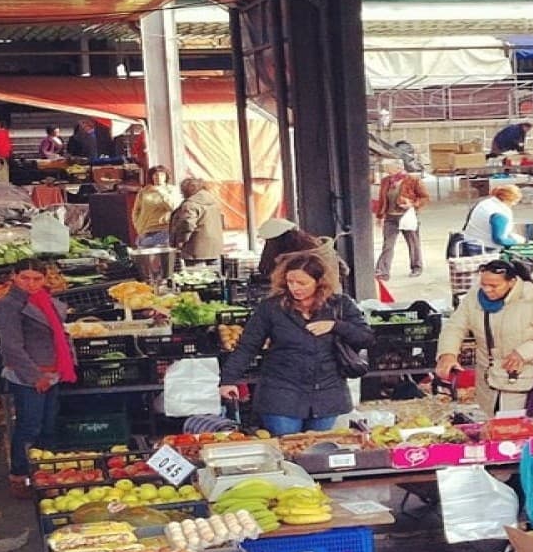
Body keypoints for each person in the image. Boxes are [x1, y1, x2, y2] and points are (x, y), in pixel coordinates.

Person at [219, 250, 374, 435]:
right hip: (281, 394)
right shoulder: (271, 308)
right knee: (287, 448)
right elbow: (247, 346)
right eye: (290, 282)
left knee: (318, 450)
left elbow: (366, 337)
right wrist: (228, 380)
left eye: (302, 283)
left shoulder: (340, 305)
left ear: (319, 282)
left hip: (327, 394)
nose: (295, 288)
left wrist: (336, 326)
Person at [435, 259, 533, 416]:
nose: (487, 290)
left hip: (522, 379)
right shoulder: (473, 298)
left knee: (515, 428)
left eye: (494, 286)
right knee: (491, 423)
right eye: (484, 284)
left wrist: (525, 352)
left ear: (512, 282)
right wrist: (447, 354)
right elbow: (455, 326)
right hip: (487, 379)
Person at [0, 259, 77, 496]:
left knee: (47, 425)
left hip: (53, 373)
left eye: (36, 279)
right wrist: (35, 376)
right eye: (24, 278)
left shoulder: (46, 301)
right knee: (29, 426)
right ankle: (20, 476)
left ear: (45, 278)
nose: (30, 283)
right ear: (14, 277)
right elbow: (12, 348)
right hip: (29, 376)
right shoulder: (5, 306)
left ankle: (44, 474)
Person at [373, 158, 429, 280]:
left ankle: (416, 267)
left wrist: (413, 204)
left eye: (389, 167)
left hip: (406, 216)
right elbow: (382, 200)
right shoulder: (386, 181)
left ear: (398, 168)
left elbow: (425, 197)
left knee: (413, 243)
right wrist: (379, 216)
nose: (386, 169)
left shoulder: (412, 180)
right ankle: (382, 271)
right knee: (388, 245)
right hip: (390, 217)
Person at [169, 177, 224, 266]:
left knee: (196, 276)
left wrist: (181, 241)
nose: (181, 193)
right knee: (214, 275)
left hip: (195, 248)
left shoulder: (190, 204)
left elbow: (187, 224)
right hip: (215, 247)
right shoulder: (213, 202)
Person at [459, 184, 526, 255]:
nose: (514, 204)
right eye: (515, 201)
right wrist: (516, 241)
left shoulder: (485, 203)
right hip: (485, 248)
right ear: (509, 199)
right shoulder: (500, 213)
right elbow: (499, 239)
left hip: (469, 241)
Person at [131, 165, 182, 248]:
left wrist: (160, 191)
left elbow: (173, 207)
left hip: (164, 230)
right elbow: (136, 210)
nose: (158, 177)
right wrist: (138, 226)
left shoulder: (172, 190)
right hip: (146, 231)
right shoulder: (144, 191)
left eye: (161, 175)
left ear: (166, 177)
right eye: (155, 175)